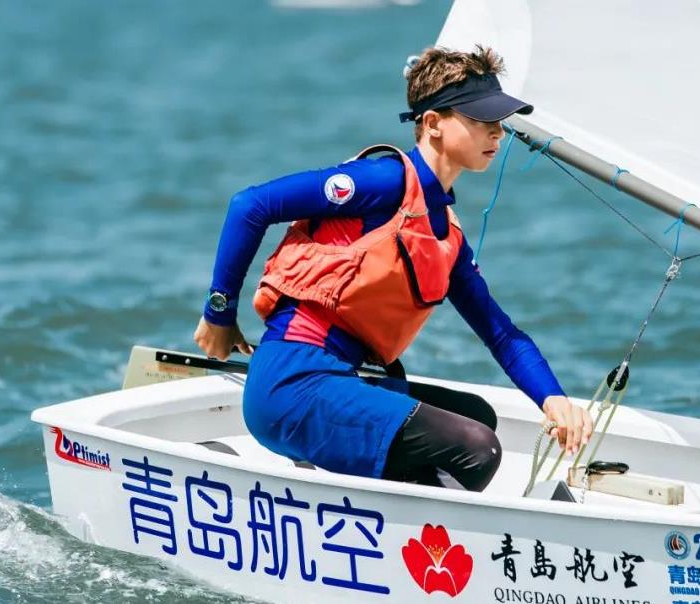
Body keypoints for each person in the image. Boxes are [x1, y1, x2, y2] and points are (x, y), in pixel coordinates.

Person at [194, 45, 592, 492]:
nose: (498, 132)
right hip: (290, 384)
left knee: (477, 417)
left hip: (337, 379)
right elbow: (250, 205)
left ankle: (402, 517)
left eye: (500, 121)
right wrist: (218, 314)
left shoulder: (444, 234)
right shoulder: (384, 182)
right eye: (482, 119)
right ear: (433, 123)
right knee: (478, 447)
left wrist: (553, 399)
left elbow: (500, 333)